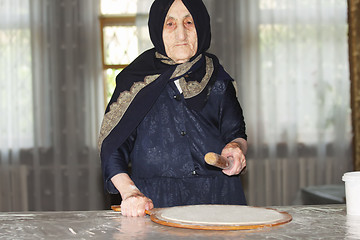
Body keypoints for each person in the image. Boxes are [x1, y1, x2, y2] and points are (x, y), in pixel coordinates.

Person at [98, 0, 248, 217]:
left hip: (219, 199)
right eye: (170, 24)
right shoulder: (135, 81)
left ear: (202, 26)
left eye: (189, 23)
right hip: (154, 200)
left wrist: (236, 148)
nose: (181, 35)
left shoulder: (217, 78)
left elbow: (236, 132)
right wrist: (130, 193)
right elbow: (113, 147)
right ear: (158, 28)